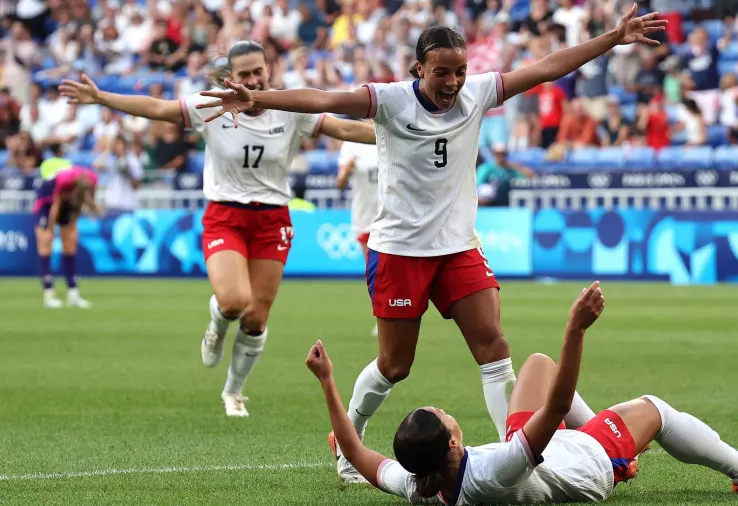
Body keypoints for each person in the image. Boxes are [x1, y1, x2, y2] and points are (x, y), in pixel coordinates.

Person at [198, 5, 666, 480]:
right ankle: (346, 441)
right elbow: (323, 98)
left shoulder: (479, 92)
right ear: (420, 68)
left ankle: (517, 457)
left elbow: (546, 68)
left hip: (458, 246)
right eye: (442, 72)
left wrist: (613, 37)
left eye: (460, 70)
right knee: (395, 365)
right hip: (400, 250)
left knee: (494, 347)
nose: (453, 81)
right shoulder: (390, 100)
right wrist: (263, 99)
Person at [59, 41, 376, 418]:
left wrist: (409, 131)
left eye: (258, 71)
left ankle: (234, 391)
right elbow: (157, 108)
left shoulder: (291, 108)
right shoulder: (212, 105)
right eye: (244, 74)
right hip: (226, 215)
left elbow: (344, 128)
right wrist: (102, 97)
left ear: (268, 70)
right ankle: (217, 322)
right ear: (231, 78)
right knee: (232, 302)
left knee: (257, 317)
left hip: (273, 219)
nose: (253, 79)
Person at [305, 281, 738, 504]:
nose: (446, 410)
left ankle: (625, 453)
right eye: (443, 415)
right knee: (654, 410)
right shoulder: (493, 470)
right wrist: (575, 329)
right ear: (452, 442)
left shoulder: (418, 484)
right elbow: (556, 405)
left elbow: (355, 451)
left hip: (534, 452)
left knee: (535, 365)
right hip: (584, 467)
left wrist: (328, 382)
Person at [33, 166, 102, 309]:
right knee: (46, 242)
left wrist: (74, 220)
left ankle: (73, 294)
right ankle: (49, 293)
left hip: (66, 203)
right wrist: (50, 229)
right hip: (47, 200)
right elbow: (55, 206)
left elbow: (82, 204)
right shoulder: (64, 180)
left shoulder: (93, 180)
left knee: (70, 244)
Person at [335, 122, 380, 336]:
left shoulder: (393, 132)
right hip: (365, 216)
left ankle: (397, 315)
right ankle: (382, 316)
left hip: (392, 215)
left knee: (392, 269)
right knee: (374, 270)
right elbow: (340, 183)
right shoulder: (352, 142)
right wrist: (348, 170)